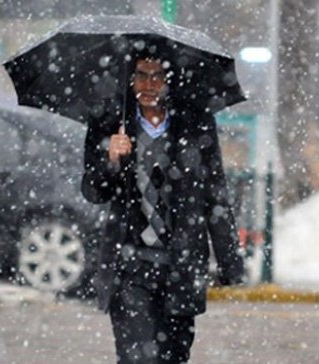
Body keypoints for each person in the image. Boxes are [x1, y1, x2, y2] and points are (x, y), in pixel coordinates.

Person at [81, 50, 244, 363]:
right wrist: (111, 160)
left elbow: (215, 195)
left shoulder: (195, 125)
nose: (149, 84)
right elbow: (93, 191)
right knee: (137, 357)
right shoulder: (111, 124)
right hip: (130, 266)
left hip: (181, 266)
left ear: (170, 81)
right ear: (129, 80)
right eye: (141, 75)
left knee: (173, 356)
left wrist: (229, 261)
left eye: (158, 76)